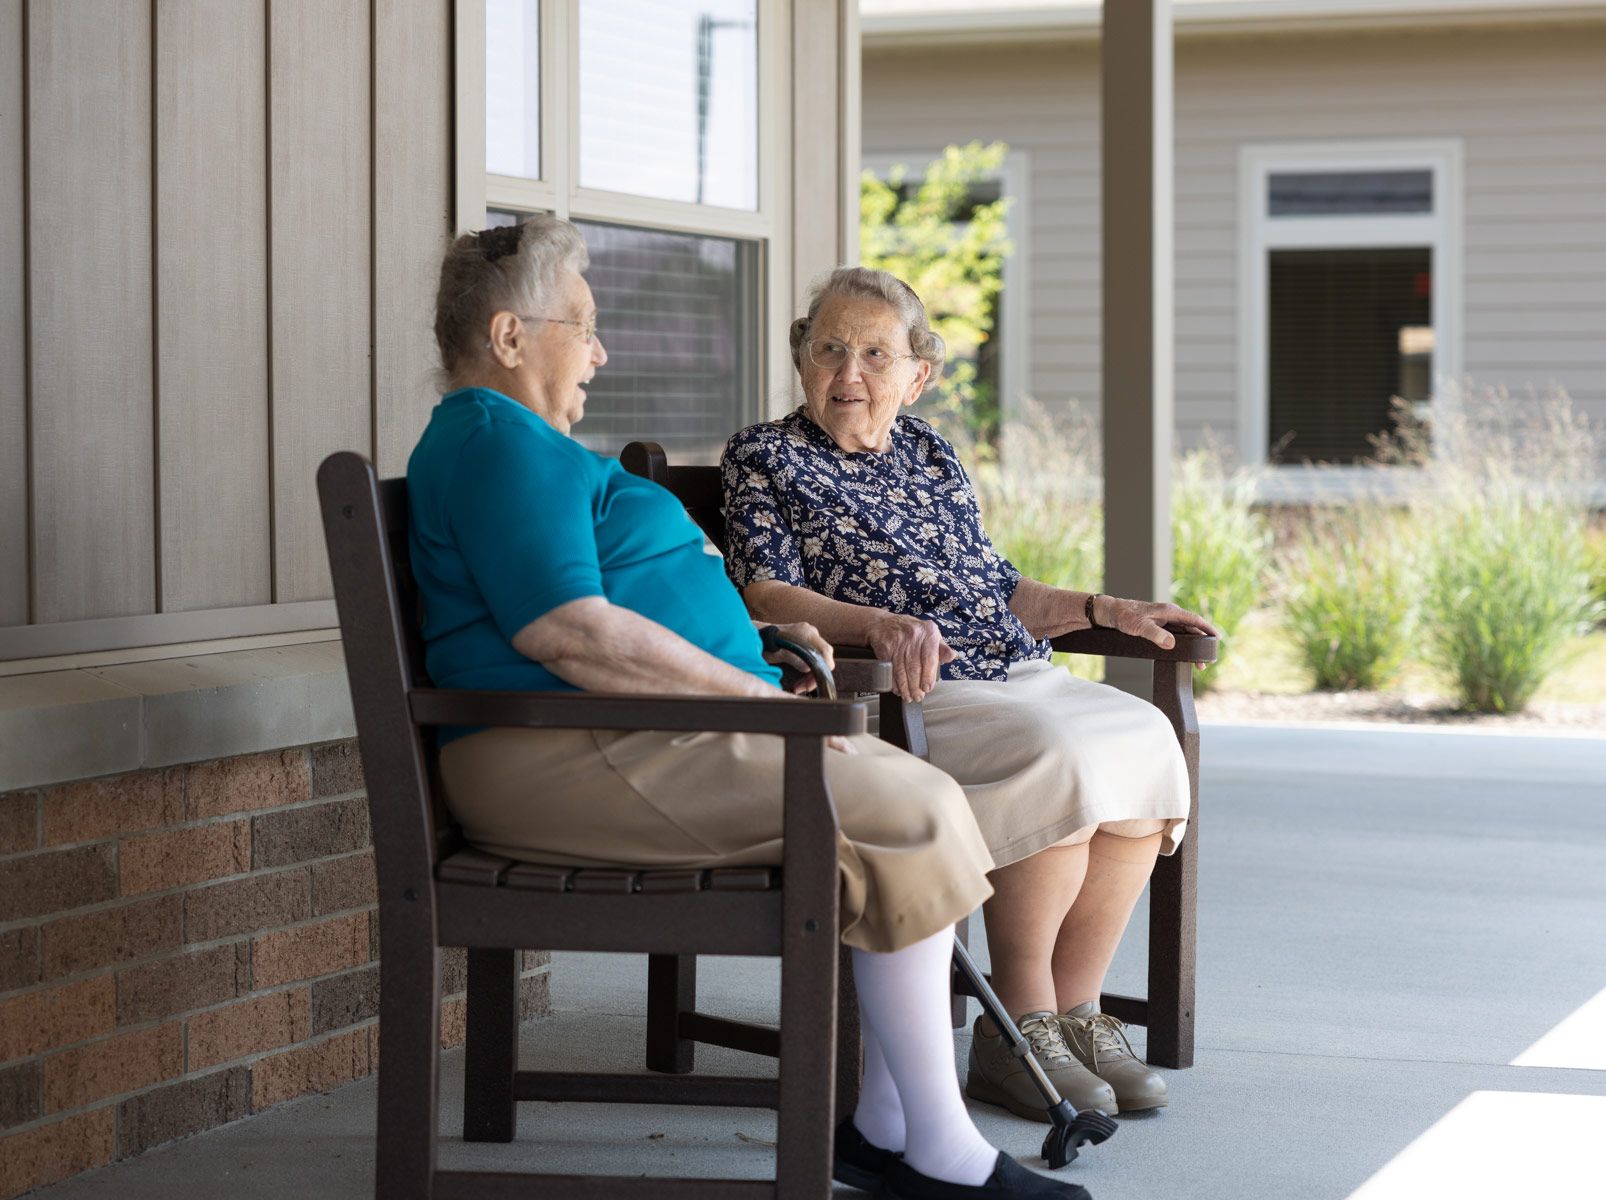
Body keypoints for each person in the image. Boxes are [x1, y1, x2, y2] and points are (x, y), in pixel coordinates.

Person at [409, 217, 1087, 1200]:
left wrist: (766, 656)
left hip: (627, 736)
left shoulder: (518, 443)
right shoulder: (494, 439)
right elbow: (569, 634)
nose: (599, 351)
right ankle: (936, 1151)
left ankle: (892, 1129)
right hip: (559, 751)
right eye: (583, 326)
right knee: (908, 808)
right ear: (511, 338)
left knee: (911, 798)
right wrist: (750, 697)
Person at [721, 267, 1219, 1122]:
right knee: (1055, 758)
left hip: (1008, 672)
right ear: (801, 357)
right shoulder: (766, 456)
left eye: (876, 354)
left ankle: (1077, 1016)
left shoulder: (930, 453)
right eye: (830, 348)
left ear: (918, 374)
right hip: (902, 689)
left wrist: (1104, 609)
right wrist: (877, 621)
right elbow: (766, 593)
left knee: (1142, 742)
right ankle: (1013, 1032)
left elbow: (1000, 588)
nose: (849, 374)